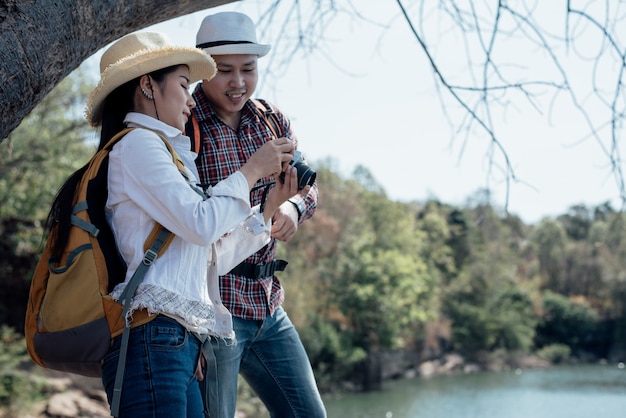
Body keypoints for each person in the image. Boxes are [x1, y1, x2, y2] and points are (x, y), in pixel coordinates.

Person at [46, 31, 306, 417]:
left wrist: (267, 210)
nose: (190, 99)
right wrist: (251, 171)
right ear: (148, 85)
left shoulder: (168, 154)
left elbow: (208, 253)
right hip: (153, 336)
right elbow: (201, 224)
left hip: (175, 340)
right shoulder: (136, 145)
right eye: (184, 85)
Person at [191, 11, 326, 418]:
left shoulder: (271, 119)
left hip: (268, 303)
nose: (239, 82)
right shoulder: (184, 124)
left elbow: (308, 185)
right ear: (201, 69)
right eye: (225, 71)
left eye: (248, 69)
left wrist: (294, 207)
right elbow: (192, 221)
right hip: (214, 308)